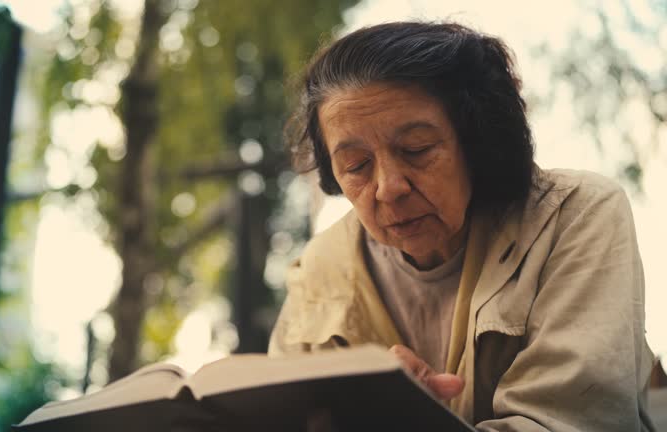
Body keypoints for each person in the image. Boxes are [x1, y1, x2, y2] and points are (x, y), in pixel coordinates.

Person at [268, 21, 656, 431]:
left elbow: (566, 421)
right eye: (356, 166)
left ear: (477, 142)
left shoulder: (572, 217)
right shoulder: (319, 270)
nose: (388, 188)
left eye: (416, 150)